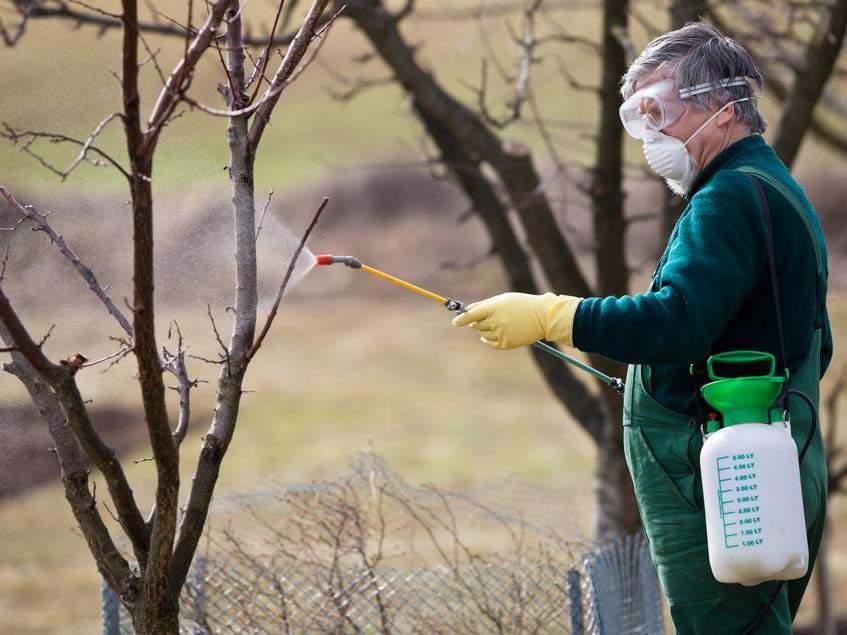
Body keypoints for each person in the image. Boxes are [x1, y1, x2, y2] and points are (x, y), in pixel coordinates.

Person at [452, 22, 831, 634]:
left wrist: (557, 315)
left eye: (661, 111)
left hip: (726, 481)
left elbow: (675, 322)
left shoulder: (728, 199)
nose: (651, 134)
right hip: (770, 465)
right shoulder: (769, 186)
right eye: (640, 116)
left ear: (724, 108)